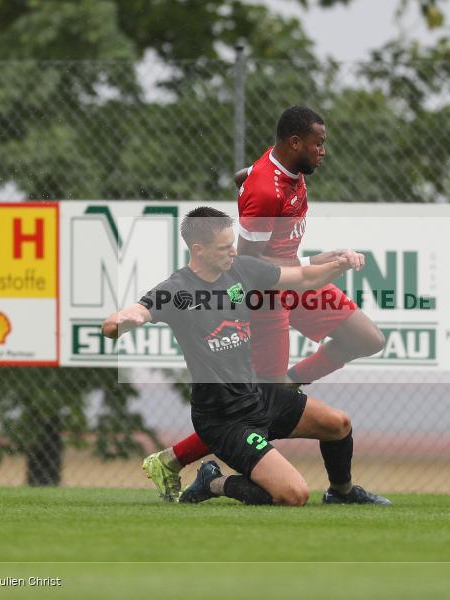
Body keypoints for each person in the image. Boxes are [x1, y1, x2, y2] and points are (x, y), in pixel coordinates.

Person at [142, 106, 385, 501]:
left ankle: (287, 385)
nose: (323, 151)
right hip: (268, 297)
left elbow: (250, 178)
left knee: (367, 337)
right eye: (318, 143)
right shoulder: (265, 190)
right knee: (257, 409)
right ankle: (174, 461)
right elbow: (248, 266)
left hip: (297, 283)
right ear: (294, 143)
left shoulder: (290, 171)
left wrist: (246, 181)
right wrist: (311, 262)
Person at [104, 207, 390, 506]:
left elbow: (304, 277)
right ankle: (213, 483)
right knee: (294, 495)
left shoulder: (241, 269)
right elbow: (125, 317)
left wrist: (340, 265)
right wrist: (123, 321)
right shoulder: (178, 290)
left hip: (259, 395)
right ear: (198, 250)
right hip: (224, 418)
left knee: (338, 425)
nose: (232, 252)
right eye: (224, 248)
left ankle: (340, 494)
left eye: (232, 244)